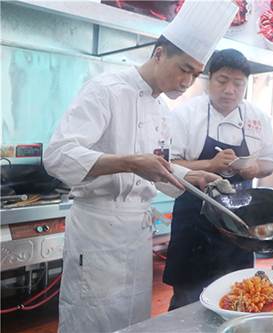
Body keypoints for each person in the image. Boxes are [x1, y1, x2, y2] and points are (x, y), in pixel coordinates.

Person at [43, 1, 238, 332]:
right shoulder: (106, 90)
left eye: (195, 74)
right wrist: (130, 163)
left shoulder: (162, 111)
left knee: (133, 321)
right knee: (92, 320)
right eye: (184, 69)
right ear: (159, 53)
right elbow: (58, 156)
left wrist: (189, 175)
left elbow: (157, 171)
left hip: (136, 235)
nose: (187, 81)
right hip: (98, 232)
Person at [163, 48, 273, 309]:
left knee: (236, 295)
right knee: (186, 299)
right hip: (194, 221)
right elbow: (167, 164)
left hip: (238, 225)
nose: (230, 90)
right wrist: (210, 165)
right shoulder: (185, 114)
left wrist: (254, 169)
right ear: (208, 79)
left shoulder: (258, 118)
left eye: (238, 84)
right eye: (222, 81)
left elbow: (269, 163)